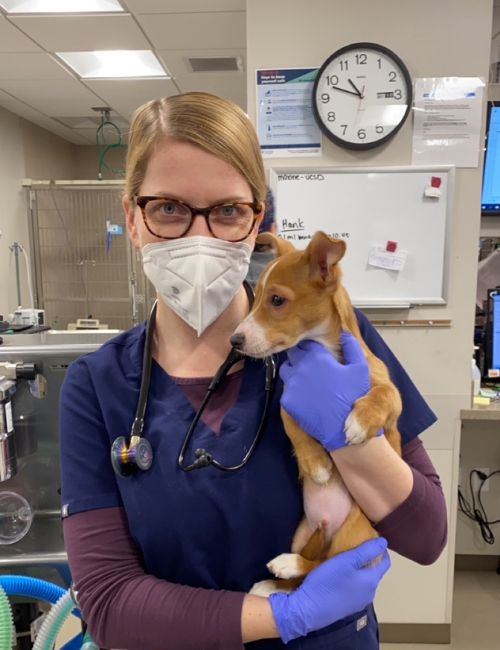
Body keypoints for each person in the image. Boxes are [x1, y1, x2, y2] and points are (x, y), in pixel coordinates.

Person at [59, 92, 447, 650]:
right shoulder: (95, 386)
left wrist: (348, 436)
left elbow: (428, 535)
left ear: (256, 219)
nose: (200, 237)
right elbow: (109, 605)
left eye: (227, 210)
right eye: (168, 208)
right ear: (132, 218)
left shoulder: (328, 335)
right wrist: (289, 615)